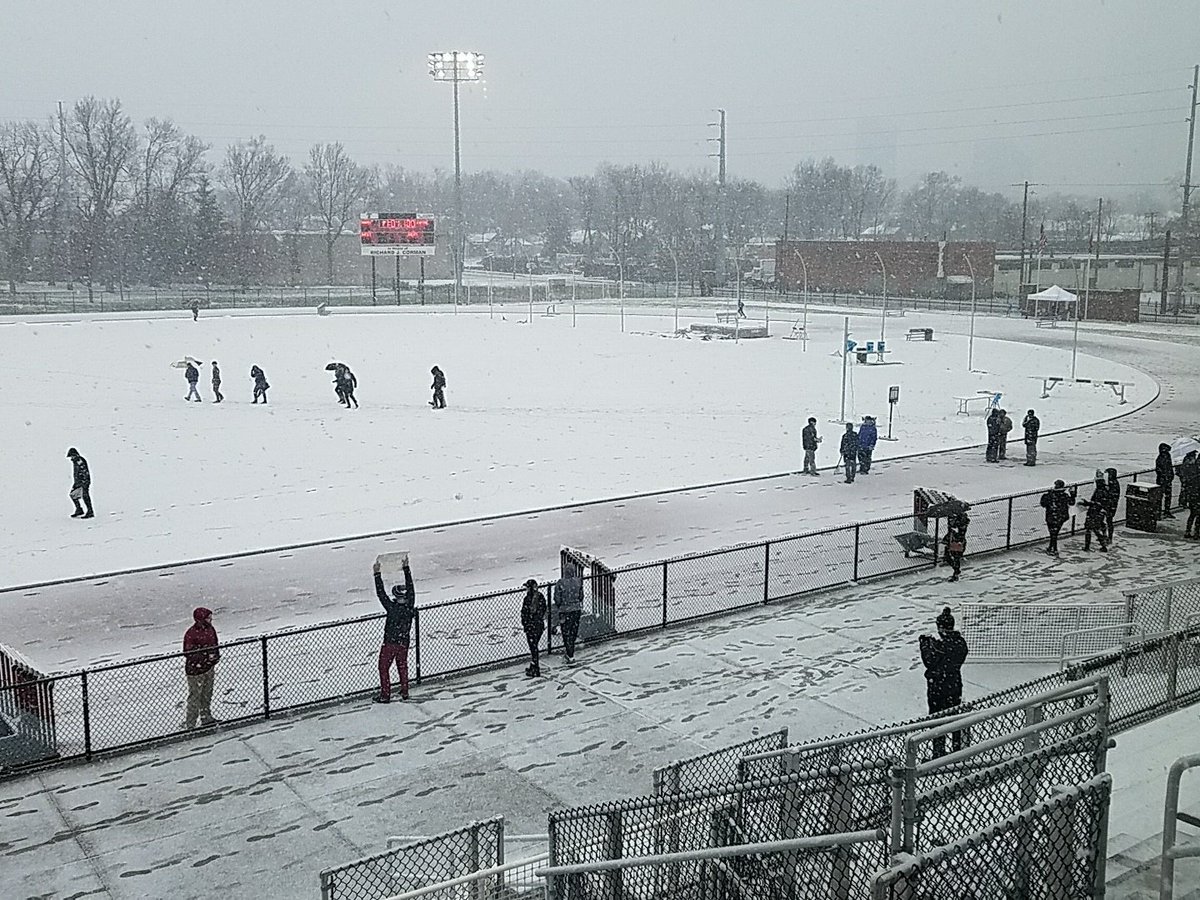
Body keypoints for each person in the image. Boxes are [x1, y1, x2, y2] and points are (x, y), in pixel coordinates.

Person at [919, 607, 969, 757]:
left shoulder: (937, 645)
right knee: (954, 718)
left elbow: (929, 660)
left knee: (936, 719)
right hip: (954, 685)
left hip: (937, 687)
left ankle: (938, 751)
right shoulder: (959, 643)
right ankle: (957, 748)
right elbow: (960, 654)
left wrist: (925, 643)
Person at [373, 557, 415, 702]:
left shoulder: (392, 608)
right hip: (404, 642)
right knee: (402, 666)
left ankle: (385, 694)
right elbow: (411, 589)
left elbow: (381, 594)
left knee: (383, 668)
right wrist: (406, 568)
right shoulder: (409, 607)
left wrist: (377, 574)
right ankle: (404, 692)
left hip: (390, 642)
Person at [183, 607, 220, 729]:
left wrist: (215, 657)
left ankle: (206, 717)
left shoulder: (210, 630)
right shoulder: (191, 633)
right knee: (195, 697)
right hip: (195, 671)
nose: (211, 620)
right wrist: (204, 658)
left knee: (207, 694)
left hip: (208, 667)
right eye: (208, 618)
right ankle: (191, 723)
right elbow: (188, 652)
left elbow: (215, 644)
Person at [554, 570, 584, 664]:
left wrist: (560, 605)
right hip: (576, 610)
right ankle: (571, 651)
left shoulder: (560, 583)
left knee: (566, 632)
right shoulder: (578, 581)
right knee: (573, 631)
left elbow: (557, 598)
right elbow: (581, 596)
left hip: (565, 610)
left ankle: (569, 653)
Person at [1040, 479, 1076, 556]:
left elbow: (1043, 504)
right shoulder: (1065, 496)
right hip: (1061, 516)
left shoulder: (1051, 495)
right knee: (1055, 533)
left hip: (1051, 516)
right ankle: (1052, 548)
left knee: (1053, 533)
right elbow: (1072, 502)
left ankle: (1054, 549)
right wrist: (1072, 494)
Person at [520, 579, 547, 677]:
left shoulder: (527, 599)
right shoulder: (540, 597)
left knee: (533, 647)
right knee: (534, 646)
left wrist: (525, 623)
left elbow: (524, 613)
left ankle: (535, 667)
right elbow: (543, 609)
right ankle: (534, 665)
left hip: (531, 626)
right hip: (538, 625)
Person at [1079, 470, 1109, 552]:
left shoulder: (1099, 491)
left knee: (1090, 530)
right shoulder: (1105, 490)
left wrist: (1087, 503)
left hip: (1094, 512)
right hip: (1100, 512)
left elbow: (1097, 503)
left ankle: (1087, 546)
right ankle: (1103, 544)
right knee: (1096, 529)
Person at [942, 509, 970, 581]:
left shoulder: (960, 523)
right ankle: (956, 570)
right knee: (951, 556)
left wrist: (952, 524)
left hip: (957, 542)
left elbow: (958, 532)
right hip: (955, 541)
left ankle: (956, 572)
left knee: (955, 557)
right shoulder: (959, 522)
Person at [66, 447, 94, 519]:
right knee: (72, 495)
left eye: (72, 456)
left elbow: (84, 472)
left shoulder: (80, 461)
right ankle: (79, 509)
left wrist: (84, 482)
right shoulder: (75, 461)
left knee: (85, 496)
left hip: (84, 482)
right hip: (78, 482)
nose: (71, 458)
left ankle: (90, 511)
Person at [1179, 450, 1200, 539]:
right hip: (1196, 496)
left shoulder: (1192, 470)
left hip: (1193, 495)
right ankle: (1196, 533)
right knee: (1197, 515)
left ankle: (1189, 531)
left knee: (1193, 514)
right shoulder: (1195, 472)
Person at [1157, 442, 1176, 518]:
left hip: (1166, 479)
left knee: (1166, 496)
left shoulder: (1166, 456)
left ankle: (1165, 511)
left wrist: (1170, 476)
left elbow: (1169, 468)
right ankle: (1161, 511)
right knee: (1161, 496)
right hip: (1163, 480)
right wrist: (1166, 476)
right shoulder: (1161, 458)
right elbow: (1159, 470)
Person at [1102, 468, 1121, 540]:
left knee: (1109, 521)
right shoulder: (1110, 482)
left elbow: (1113, 496)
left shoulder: (1114, 484)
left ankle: (1109, 537)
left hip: (1111, 505)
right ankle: (1104, 535)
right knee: (1103, 520)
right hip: (1108, 505)